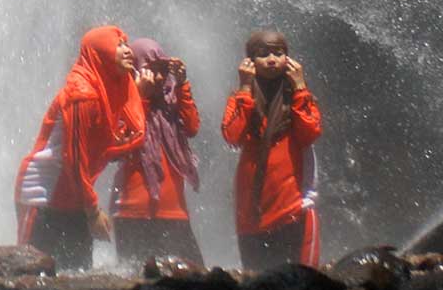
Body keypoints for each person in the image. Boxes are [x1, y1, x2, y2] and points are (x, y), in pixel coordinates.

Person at [14, 25, 145, 270]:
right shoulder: (81, 94)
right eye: (118, 45)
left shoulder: (112, 90)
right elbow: (74, 157)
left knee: (78, 271)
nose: (127, 50)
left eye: (127, 44)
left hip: (76, 196)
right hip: (43, 193)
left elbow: (112, 143)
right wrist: (93, 210)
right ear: (100, 52)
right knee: (33, 273)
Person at [221, 30, 322, 270]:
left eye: (279, 53)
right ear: (249, 61)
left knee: (298, 282)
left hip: (292, 209)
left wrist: (299, 86)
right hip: (251, 211)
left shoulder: (298, 96)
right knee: (257, 286)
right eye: (263, 54)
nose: (272, 59)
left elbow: (310, 132)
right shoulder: (239, 98)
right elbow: (232, 135)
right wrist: (245, 88)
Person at [110, 38, 203, 268]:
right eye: (152, 71)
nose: (160, 78)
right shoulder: (120, 103)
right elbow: (117, 145)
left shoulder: (172, 104)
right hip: (132, 213)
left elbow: (192, 127)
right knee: (140, 288)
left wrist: (182, 85)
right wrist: (139, 98)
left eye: (163, 71)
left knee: (193, 284)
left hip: (175, 212)